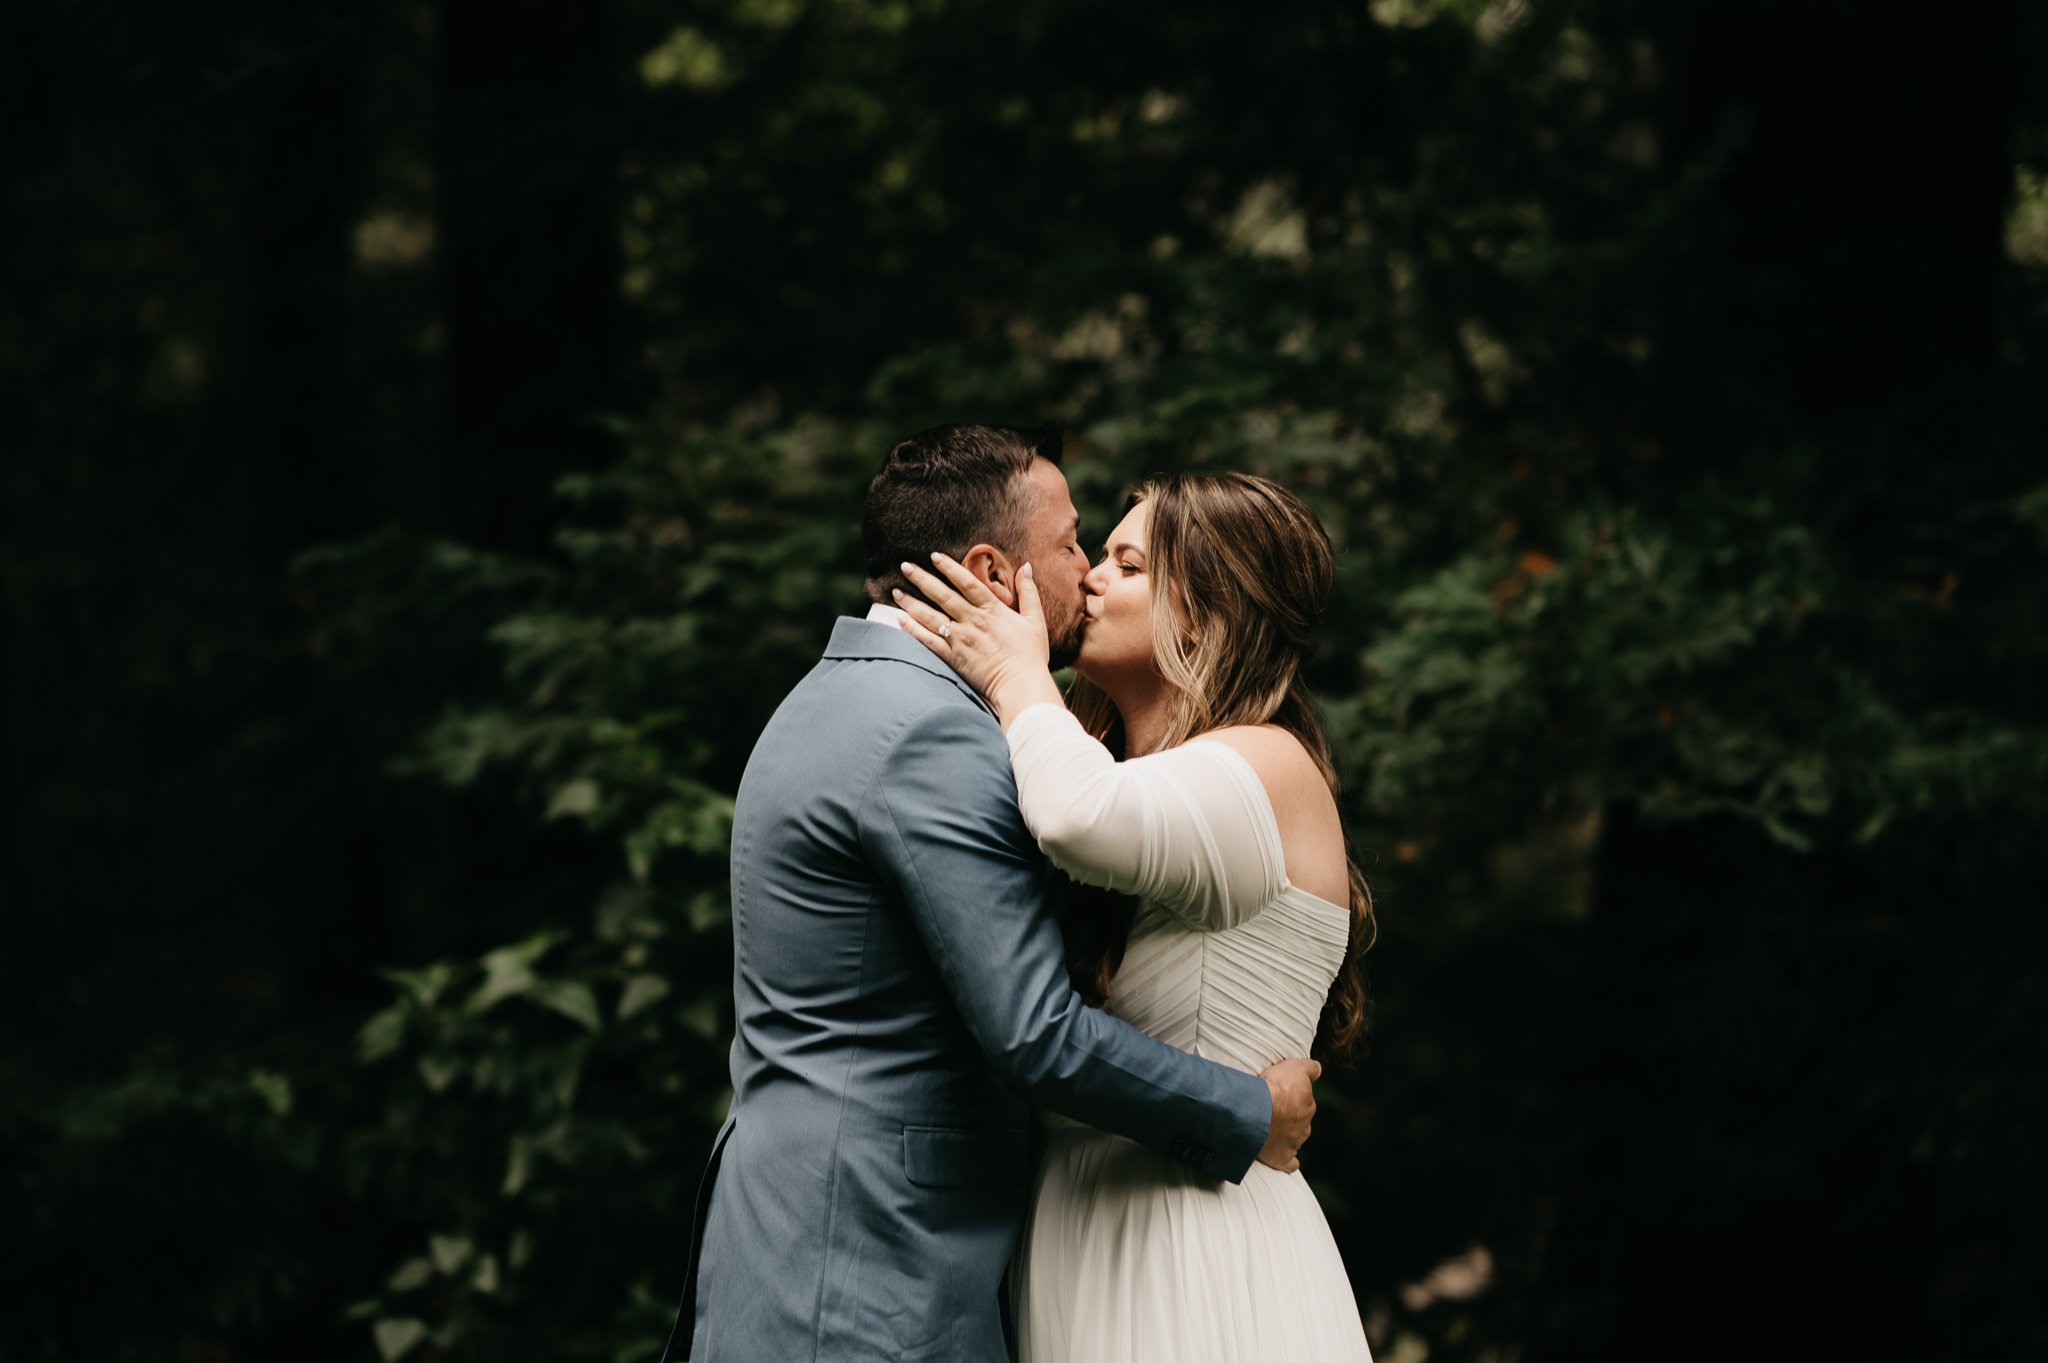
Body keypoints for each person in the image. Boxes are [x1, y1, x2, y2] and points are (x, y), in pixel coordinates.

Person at [665, 427, 1322, 1363]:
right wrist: (1246, 1110)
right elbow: (1034, 1032)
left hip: (802, 1250)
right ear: (988, 567)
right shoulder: (931, 733)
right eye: (1071, 543)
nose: (1086, 568)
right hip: (867, 1278)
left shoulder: (832, 697)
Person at [890, 470, 1376, 1362]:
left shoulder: (1267, 764)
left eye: (1127, 561)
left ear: (1201, 612)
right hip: (1073, 1236)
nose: (1092, 578)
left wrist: (1012, 670)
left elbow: (1080, 815)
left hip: (1193, 1243)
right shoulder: (1107, 770)